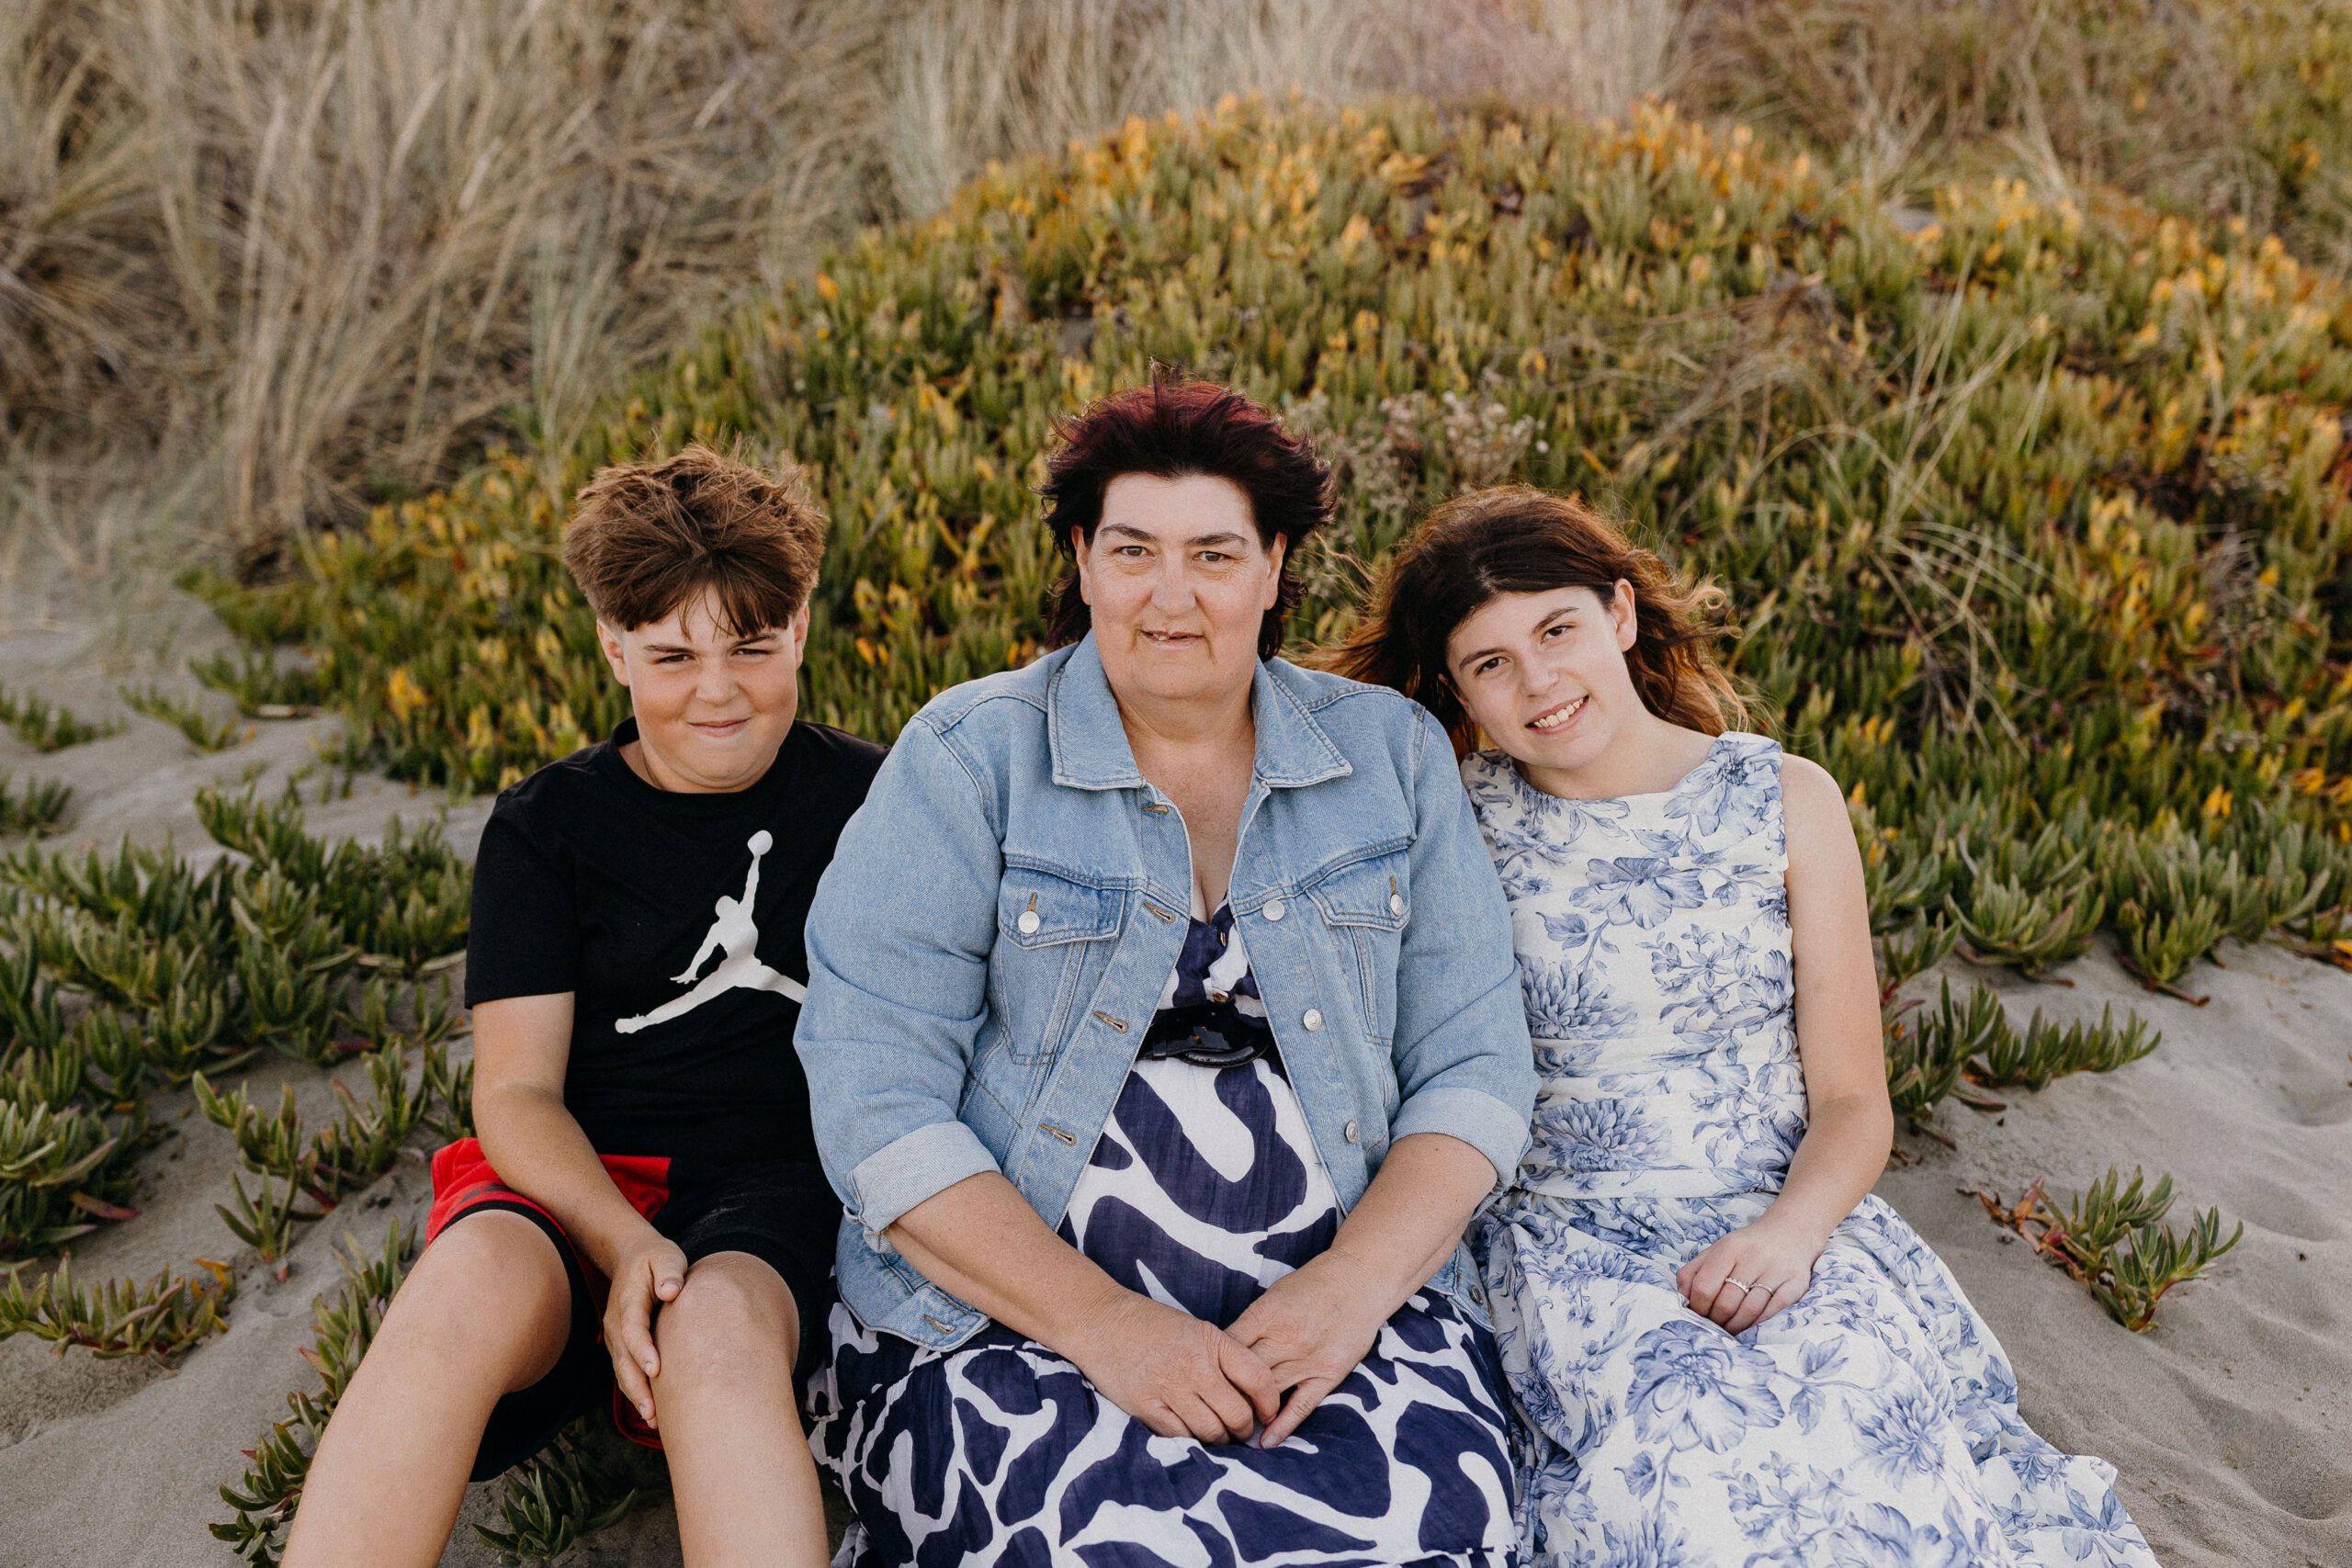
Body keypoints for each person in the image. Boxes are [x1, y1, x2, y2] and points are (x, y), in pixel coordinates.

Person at [1331, 484, 2162, 1566]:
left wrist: (1790, 1235)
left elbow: (1857, 1103)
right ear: (1456, 690)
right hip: (1563, 1245)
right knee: (1695, 1474)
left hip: (1782, 1215)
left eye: (1557, 629)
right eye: (1490, 663)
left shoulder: (1784, 798)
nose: (1538, 682)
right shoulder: (1452, 817)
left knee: (1871, 1457)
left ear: (1620, 616)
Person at [794, 375, 1538, 1568]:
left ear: (1276, 564)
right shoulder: (968, 758)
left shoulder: (1386, 753)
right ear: (1084, 558)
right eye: (1133, 548)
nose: (1171, 594)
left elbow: (1475, 1067)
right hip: (1003, 1314)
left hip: (1350, 1301)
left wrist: (1351, 1289)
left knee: (1420, 1530)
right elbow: (873, 1100)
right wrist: (1106, 1324)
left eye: (1214, 552)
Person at [283, 445, 883, 1568]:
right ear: (613, 646)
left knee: (713, 1334)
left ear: (799, 624)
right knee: (460, 1291)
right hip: (579, 1177)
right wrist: (625, 1245)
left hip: (780, 1191)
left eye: (751, 646)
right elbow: (513, 1091)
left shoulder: (876, 799)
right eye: (670, 655)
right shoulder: (545, 828)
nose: (717, 689)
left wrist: (679, 1272)